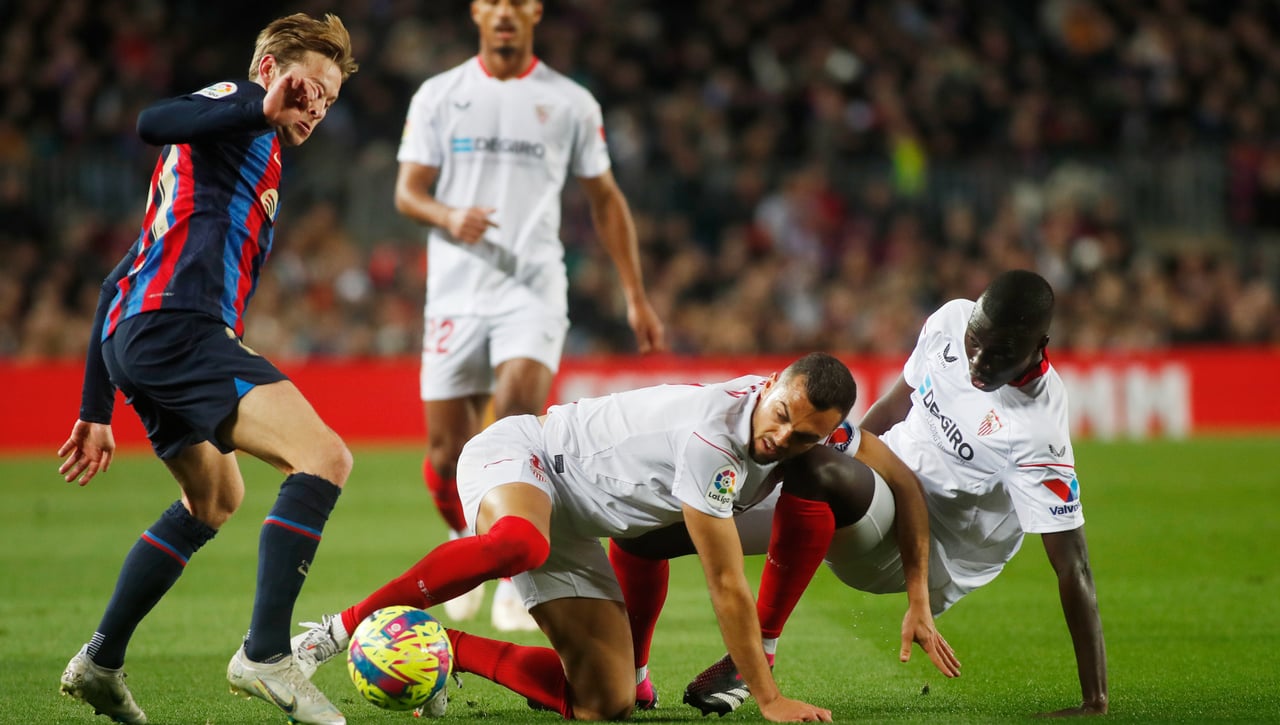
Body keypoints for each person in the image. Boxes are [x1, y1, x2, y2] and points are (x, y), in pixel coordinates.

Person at [613, 269, 1108, 718]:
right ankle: (631, 679)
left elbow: (1073, 565)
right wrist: (852, 456)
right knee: (643, 532)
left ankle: (758, 652)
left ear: (1040, 345)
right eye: (975, 341)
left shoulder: (1038, 429)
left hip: (927, 550)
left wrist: (1095, 700)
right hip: (864, 495)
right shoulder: (949, 321)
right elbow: (896, 405)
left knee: (814, 462)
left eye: (999, 353)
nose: (979, 360)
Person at [56, 14, 359, 725]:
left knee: (215, 496)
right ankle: (265, 653)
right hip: (180, 328)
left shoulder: (236, 152)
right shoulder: (233, 111)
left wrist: (95, 408)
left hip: (140, 333)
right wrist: (258, 105)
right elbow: (151, 119)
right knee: (323, 456)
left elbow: (116, 280)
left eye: (330, 99)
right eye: (310, 87)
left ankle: (100, 659)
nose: (317, 106)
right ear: (268, 68)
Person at [291, 353, 854, 722]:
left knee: (604, 704)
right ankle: (338, 628)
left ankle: (451, 650)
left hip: (575, 526)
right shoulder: (714, 441)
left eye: (803, 436)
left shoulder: (794, 416)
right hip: (528, 456)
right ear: (773, 382)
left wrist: (921, 589)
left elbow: (874, 457)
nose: (782, 436)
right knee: (521, 544)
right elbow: (727, 582)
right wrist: (769, 699)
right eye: (781, 415)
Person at [393, 0, 665, 632]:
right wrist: (447, 216)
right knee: (443, 454)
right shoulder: (441, 94)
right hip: (457, 292)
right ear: (476, 12)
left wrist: (635, 293)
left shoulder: (570, 102)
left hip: (533, 287)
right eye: (494, 2)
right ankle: (472, 540)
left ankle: (518, 573)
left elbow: (605, 198)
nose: (505, 13)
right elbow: (408, 191)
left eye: (517, 2)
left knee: (515, 414)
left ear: (535, 12)